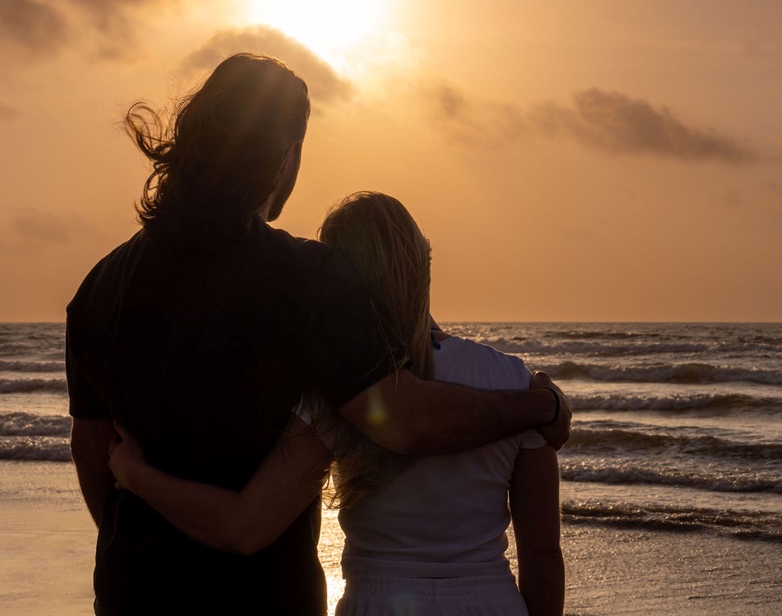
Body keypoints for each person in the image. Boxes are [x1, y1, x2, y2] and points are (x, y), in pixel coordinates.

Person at [66, 54, 570, 615]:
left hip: (131, 591)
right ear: (283, 156)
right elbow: (404, 419)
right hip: (261, 598)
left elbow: (92, 453)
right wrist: (539, 408)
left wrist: (142, 541)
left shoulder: (98, 288)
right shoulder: (307, 278)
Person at [109, 192, 564, 616]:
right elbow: (542, 554)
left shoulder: (341, 393)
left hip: (377, 602)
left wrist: (136, 474)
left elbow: (243, 526)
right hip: (492, 601)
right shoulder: (517, 383)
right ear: (422, 263)